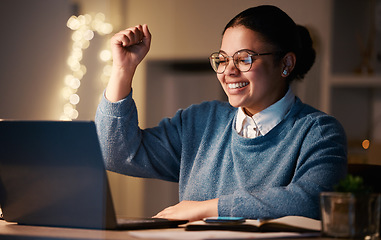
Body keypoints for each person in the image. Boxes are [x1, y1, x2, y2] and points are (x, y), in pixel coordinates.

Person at [95, 5, 347, 222]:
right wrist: (123, 69)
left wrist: (205, 209)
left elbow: (314, 202)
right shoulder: (200, 122)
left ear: (286, 64)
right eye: (223, 59)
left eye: (244, 59)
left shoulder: (318, 131)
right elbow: (113, 153)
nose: (228, 71)